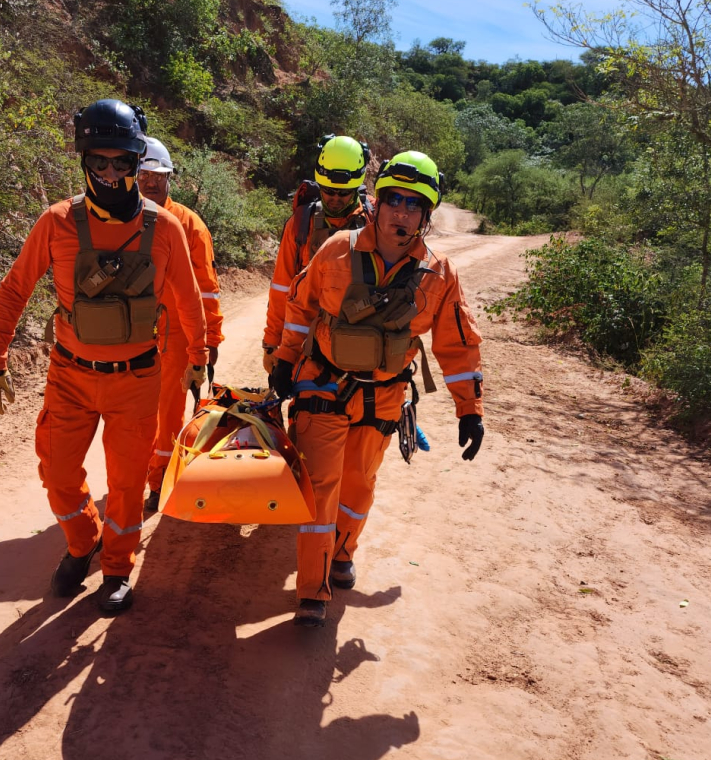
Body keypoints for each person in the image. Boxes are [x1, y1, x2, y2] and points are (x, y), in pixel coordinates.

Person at [0, 99, 208, 614]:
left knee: (127, 483)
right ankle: (84, 542)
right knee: (57, 473)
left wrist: (199, 354)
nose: (109, 172)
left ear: (136, 163)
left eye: (121, 163)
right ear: (84, 162)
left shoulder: (165, 229)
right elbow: (15, 289)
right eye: (98, 162)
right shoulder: (56, 223)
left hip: (137, 378)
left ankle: (119, 568)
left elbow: (190, 299)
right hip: (71, 375)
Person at [268, 151, 486, 627]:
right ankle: (312, 592)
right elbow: (301, 308)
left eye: (413, 205)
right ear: (378, 202)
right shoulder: (336, 251)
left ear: (426, 215)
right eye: (394, 201)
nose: (401, 213)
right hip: (323, 384)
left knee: (358, 486)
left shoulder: (439, 274)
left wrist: (469, 409)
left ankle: (343, 552)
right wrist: (284, 361)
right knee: (319, 489)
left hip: (383, 395)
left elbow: (457, 343)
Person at [137, 136, 224, 511]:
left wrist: (209, 341)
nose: (151, 183)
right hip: (133, 335)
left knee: (168, 414)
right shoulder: (122, 219)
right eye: (144, 176)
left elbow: (207, 289)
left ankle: (161, 482)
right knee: (135, 415)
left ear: (170, 178)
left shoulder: (189, 225)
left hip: (176, 337)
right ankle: (143, 475)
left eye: (158, 177)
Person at [262, 135, 373, 374]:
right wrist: (272, 343)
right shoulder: (301, 224)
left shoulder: (375, 221)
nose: (334, 198)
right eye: (328, 191)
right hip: (307, 345)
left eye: (343, 193)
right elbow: (282, 287)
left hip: (362, 342)